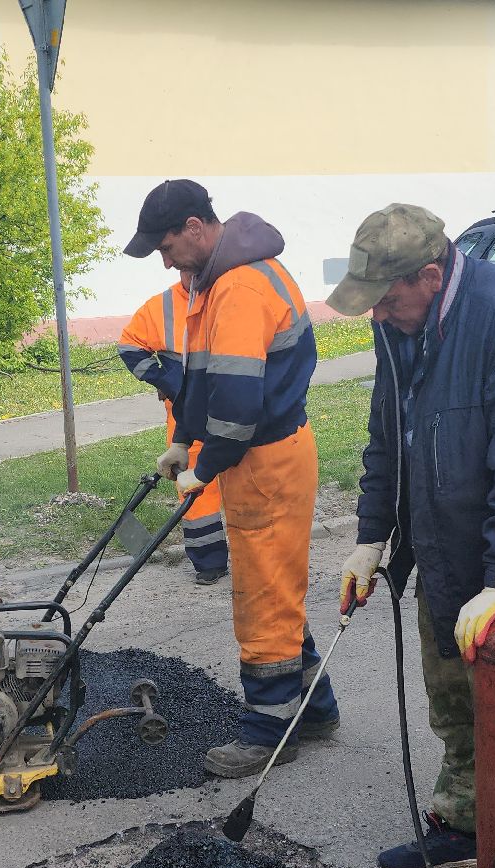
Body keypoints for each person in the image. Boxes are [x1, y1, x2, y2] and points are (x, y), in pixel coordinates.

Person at [327, 203, 495, 868]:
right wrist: (371, 537)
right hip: (441, 547)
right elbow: (388, 435)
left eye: (387, 300)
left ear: (432, 275)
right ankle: (466, 826)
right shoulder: (398, 326)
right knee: (453, 696)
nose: (379, 314)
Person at [122, 179, 339, 778]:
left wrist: (205, 467)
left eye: (166, 247)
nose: (164, 262)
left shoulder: (240, 288)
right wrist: (184, 438)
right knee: (274, 587)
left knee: (263, 599)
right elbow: (204, 375)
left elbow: (238, 405)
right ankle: (314, 708)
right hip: (265, 454)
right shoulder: (218, 280)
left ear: (194, 227)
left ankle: (269, 732)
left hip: (266, 461)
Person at [115, 269, 230, 584]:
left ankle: (254, 556)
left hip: (235, 409)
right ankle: (209, 561)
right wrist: (169, 382)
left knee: (245, 484)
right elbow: (129, 346)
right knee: (194, 489)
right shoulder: (162, 306)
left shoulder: (230, 294)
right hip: (187, 418)